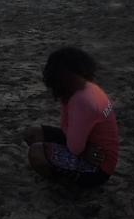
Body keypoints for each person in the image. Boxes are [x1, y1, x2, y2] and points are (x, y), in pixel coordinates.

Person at [22, 47, 118, 189]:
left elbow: (74, 148)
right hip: (89, 147)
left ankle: (72, 187)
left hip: (99, 167)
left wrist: (82, 148)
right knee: (32, 133)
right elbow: (64, 125)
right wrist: (83, 146)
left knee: (35, 153)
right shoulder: (83, 88)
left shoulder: (81, 100)